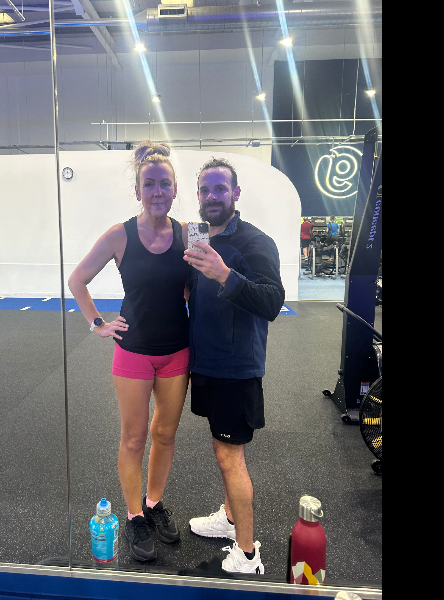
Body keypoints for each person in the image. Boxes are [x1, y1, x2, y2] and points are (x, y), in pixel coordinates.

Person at [68, 141, 190, 563]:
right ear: (138, 190)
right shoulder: (120, 234)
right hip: (133, 351)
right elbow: (77, 280)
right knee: (135, 437)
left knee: (165, 434)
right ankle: (135, 514)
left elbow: (193, 285)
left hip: (177, 352)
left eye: (165, 183)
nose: (157, 191)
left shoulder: (187, 232)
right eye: (149, 184)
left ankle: (154, 503)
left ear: (175, 189)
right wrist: (98, 324)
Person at [182, 157, 285, 575]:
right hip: (206, 362)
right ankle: (228, 518)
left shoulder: (256, 242)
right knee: (221, 447)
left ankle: (247, 553)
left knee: (230, 455)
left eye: (220, 189)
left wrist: (226, 274)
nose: (212, 197)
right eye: (205, 190)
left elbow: (272, 301)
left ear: (236, 193)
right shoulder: (199, 238)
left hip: (236, 368)